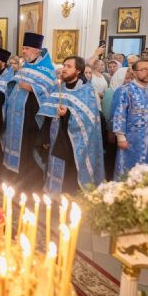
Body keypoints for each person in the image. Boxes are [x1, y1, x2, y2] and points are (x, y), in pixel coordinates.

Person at [38, 56, 105, 195]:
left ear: (78, 70)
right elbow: (47, 114)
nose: (64, 69)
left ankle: (69, 201)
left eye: (69, 66)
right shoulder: (58, 88)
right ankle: (54, 197)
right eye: (64, 65)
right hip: (56, 137)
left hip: (75, 142)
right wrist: (44, 136)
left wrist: (68, 113)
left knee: (71, 173)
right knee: (54, 166)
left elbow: (90, 120)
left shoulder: (87, 91)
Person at [3, 32, 57, 190]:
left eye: (26, 48)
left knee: (28, 149)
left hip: (31, 118)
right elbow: (16, 83)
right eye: (23, 48)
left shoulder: (47, 69)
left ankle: (27, 182)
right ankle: (14, 173)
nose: (24, 51)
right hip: (17, 117)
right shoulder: (25, 65)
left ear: (36, 50)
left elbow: (50, 90)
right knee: (16, 145)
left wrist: (32, 88)